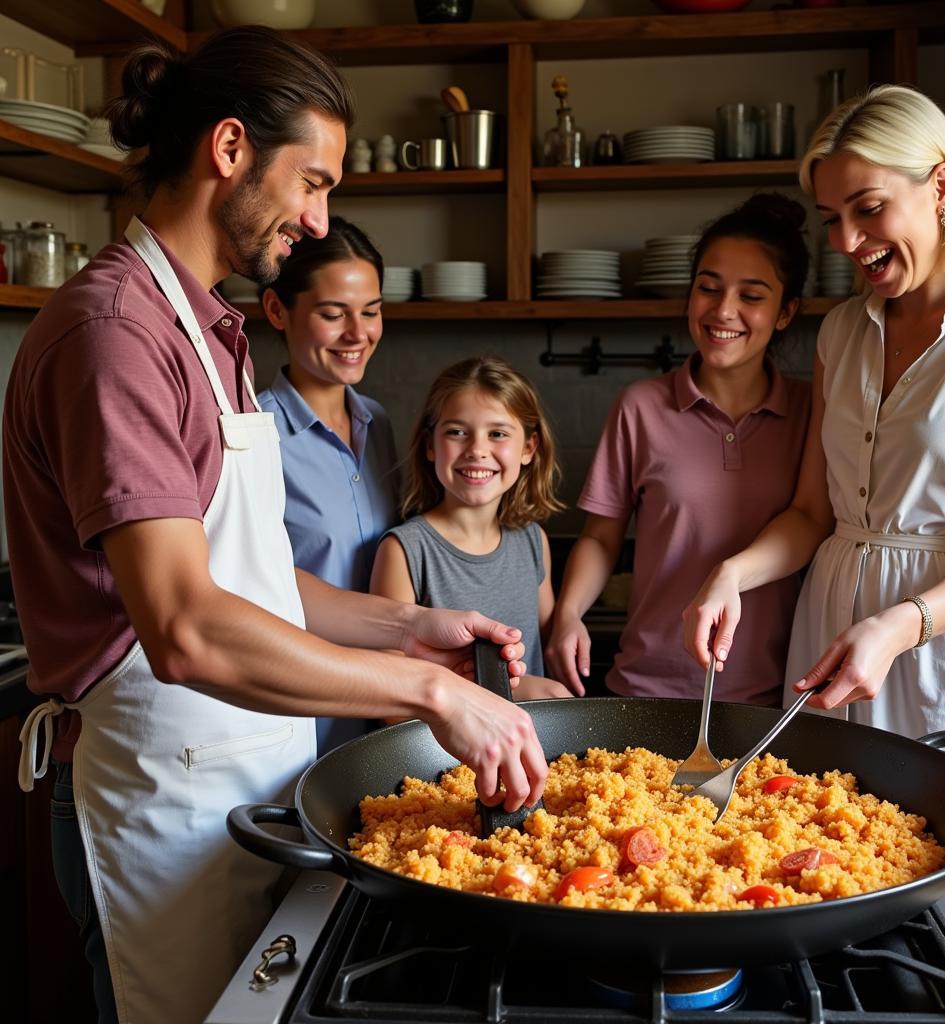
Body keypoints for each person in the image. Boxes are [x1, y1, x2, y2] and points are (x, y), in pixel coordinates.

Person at [3, 28, 546, 1024]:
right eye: (312, 182)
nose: (318, 217)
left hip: (241, 783)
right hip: (158, 793)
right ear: (228, 151)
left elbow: (242, 579)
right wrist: (428, 692)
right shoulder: (115, 335)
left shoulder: (206, 331)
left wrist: (403, 627)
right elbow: (186, 626)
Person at [682, 85, 945, 813]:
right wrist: (731, 575)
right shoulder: (842, 331)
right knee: (815, 849)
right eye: (832, 219)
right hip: (831, 628)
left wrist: (899, 624)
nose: (844, 242)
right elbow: (812, 513)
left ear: (940, 187)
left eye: (867, 209)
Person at [546, 195, 811, 705]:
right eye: (708, 288)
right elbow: (601, 539)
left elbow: (814, 522)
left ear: (786, 312)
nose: (723, 310)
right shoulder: (640, 407)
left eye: (751, 296)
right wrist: (568, 614)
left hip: (771, 696)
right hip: (647, 687)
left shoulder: (812, 410)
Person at [258, 216, 400, 754]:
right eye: (332, 314)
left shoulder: (379, 423)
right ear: (277, 310)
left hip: (386, 708)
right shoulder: (256, 436)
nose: (357, 333)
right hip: (301, 716)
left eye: (371, 311)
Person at [371, 357, 574, 701]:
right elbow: (390, 700)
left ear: (528, 448)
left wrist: (572, 621)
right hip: (441, 753)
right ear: (430, 445)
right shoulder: (404, 551)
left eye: (497, 434)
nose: (477, 450)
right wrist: (516, 692)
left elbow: (547, 644)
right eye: (457, 432)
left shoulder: (533, 541)